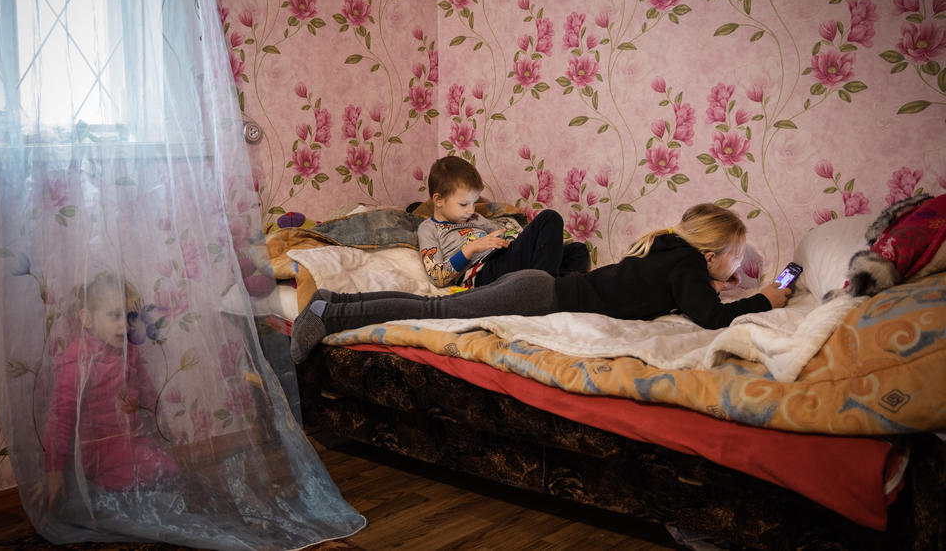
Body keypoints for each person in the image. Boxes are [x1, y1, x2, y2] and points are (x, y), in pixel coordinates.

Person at [290, 203, 791, 363]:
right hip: (537, 294)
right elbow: (709, 317)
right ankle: (328, 313)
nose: (738, 269)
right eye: (736, 259)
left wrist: (726, 285)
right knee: (434, 311)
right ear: (710, 255)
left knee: (432, 305)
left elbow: (693, 298)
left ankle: (335, 300)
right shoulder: (686, 267)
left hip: (540, 288)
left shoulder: (668, 251)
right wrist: (766, 298)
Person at [42, 272, 177, 507]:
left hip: (130, 438)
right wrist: (53, 469)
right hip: (98, 448)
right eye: (114, 316)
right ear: (88, 319)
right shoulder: (77, 360)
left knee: (168, 468)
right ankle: (102, 493)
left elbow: (145, 386)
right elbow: (60, 415)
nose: (123, 325)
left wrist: (158, 418)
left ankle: (122, 489)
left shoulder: (128, 350)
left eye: (128, 316)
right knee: (147, 474)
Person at [417, 155, 589, 289]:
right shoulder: (428, 228)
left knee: (578, 251)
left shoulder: (475, 218)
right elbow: (437, 276)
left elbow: (506, 235)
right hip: (482, 271)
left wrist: (523, 240)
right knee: (550, 218)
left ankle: (550, 287)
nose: (471, 210)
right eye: (463, 204)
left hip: (505, 257)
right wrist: (472, 247)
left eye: (473, 203)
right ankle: (544, 289)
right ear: (438, 200)